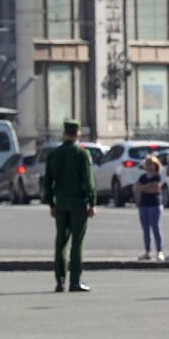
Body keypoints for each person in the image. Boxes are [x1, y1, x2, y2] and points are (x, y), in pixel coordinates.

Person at [42, 118, 96, 293]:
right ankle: (75, 281)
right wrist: (92, 202)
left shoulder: (54, 154)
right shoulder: (82, 154)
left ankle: (60, 281)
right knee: (77, 243)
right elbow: (88, 181)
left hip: (61, 203)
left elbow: (47, 182)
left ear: (64, 133)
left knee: (61, 242)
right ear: (78, 134)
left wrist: (51, 203)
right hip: (78, 203)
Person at [136, 156, 164, 261]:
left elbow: (156, 189)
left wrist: (144, 188)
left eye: (151, 164)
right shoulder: (142, 177)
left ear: (155, 165)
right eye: (147, 164)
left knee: (156, 228)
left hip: (155, 205)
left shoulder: (157, 176)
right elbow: (137, 188)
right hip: (143, 205)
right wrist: (148, 186)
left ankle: (159, 251)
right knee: (146, 229)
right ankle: (147, 252)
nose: (149, 166)